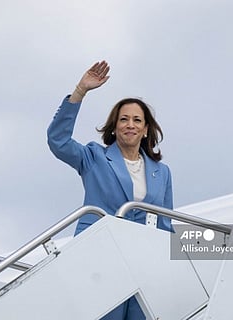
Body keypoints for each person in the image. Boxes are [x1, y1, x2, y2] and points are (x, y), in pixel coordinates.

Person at [47, 60, 174, 319]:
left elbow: (166, 224)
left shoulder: (162, 172)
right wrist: (79, 91)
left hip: (144, 264)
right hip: (101, 259)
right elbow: (58, 141)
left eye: (137, 120)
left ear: (145, 129)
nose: (130, 124)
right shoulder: (93, 157)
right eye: (124, 119)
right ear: (114, 127)